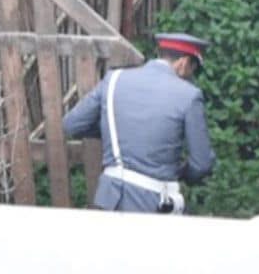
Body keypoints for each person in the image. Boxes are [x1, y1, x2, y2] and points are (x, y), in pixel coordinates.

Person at [62, 33, 215, 213]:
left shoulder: (114, 78)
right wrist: (181, 173)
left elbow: (72, 124)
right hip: (153, 203)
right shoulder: (189, 95)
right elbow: (202, 164)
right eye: (193, 69)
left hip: (109, 198)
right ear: (183, 63)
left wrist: (118, 132)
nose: (191, 76)